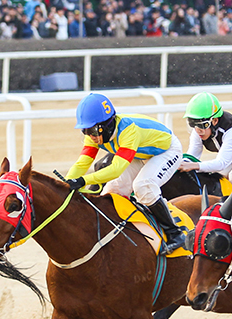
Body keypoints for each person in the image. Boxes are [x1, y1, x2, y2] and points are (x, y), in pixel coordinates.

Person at [64, 93, 186, 256]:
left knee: (143, 186)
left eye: (92, 130)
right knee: (112, 190)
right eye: (85, 131)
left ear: (106, 126)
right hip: (141, 153)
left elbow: (116, 169)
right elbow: (82, 163)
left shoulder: (128, 131)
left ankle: (175, 234)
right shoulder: (94, 135)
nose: (90, 136)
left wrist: (82, 181)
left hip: (166, 151)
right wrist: (66, 183)